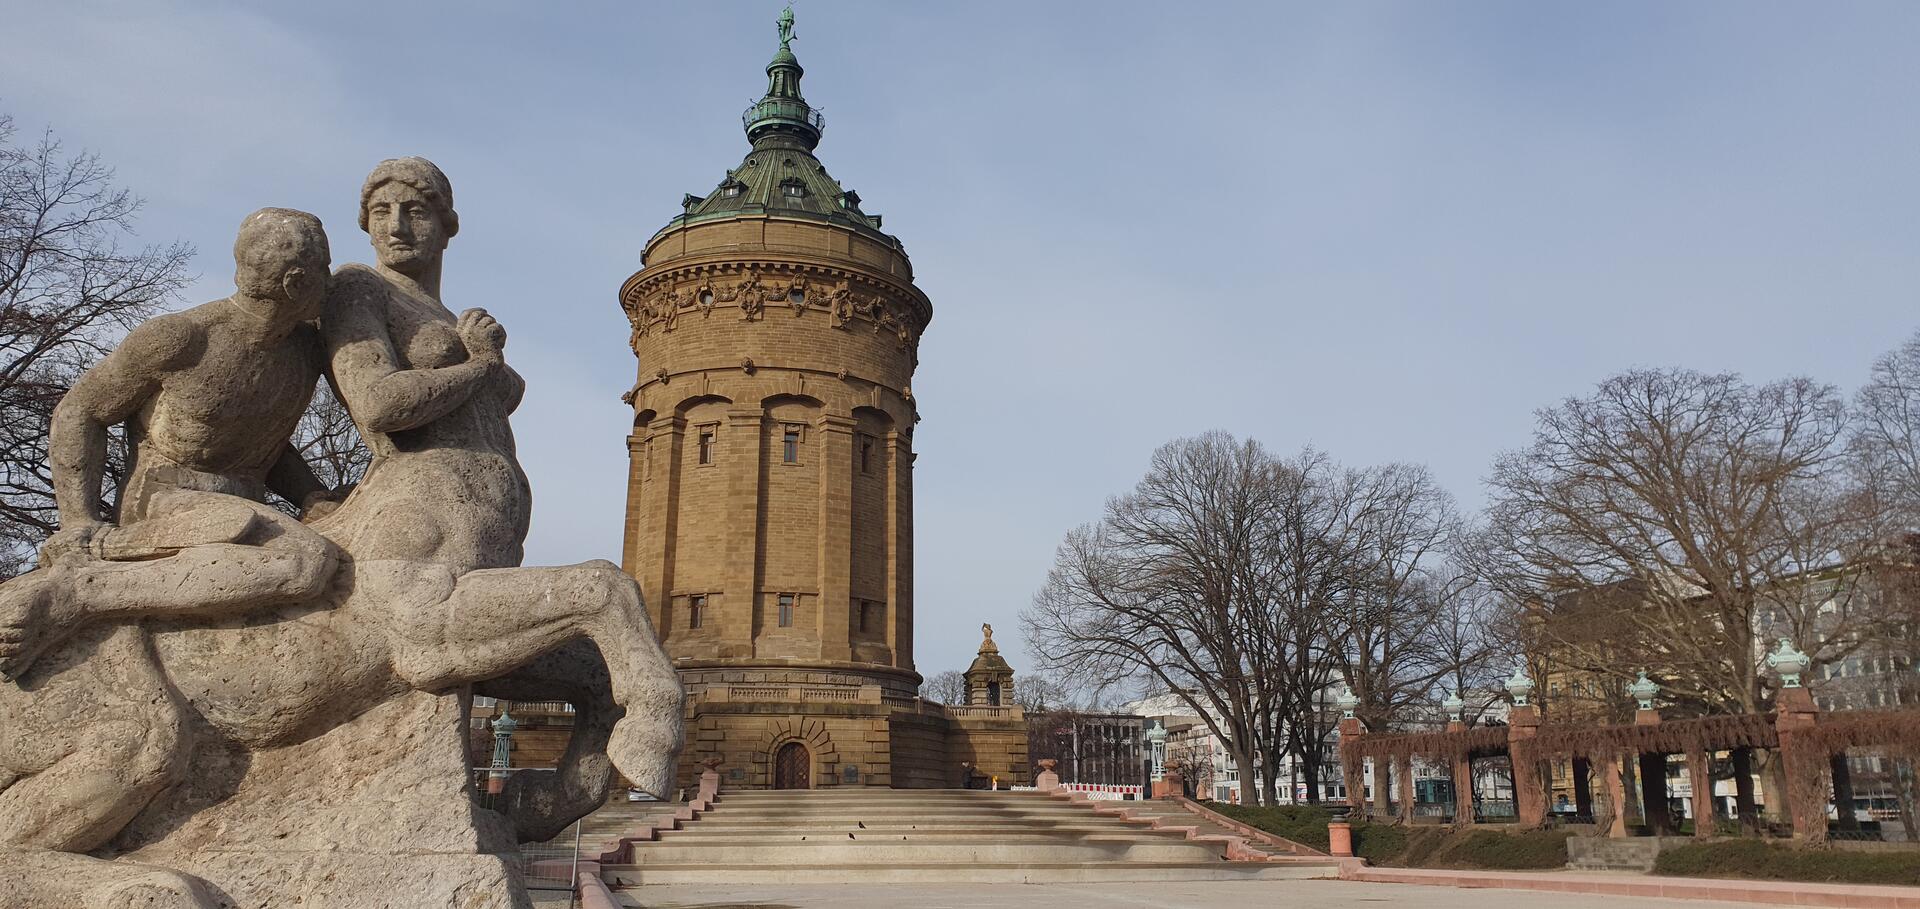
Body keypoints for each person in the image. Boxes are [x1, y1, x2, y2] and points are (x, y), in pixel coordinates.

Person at [0, 208, 344, 680]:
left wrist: (310, 494)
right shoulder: (183, 338)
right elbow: (80, 412)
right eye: (325, 270)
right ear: (296, 282)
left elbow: (262, 441)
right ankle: (83, 591)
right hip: (163, 499)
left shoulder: (305, 349)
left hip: (246, 506)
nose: (331, 283)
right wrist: (78, 521)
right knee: (305, 562)